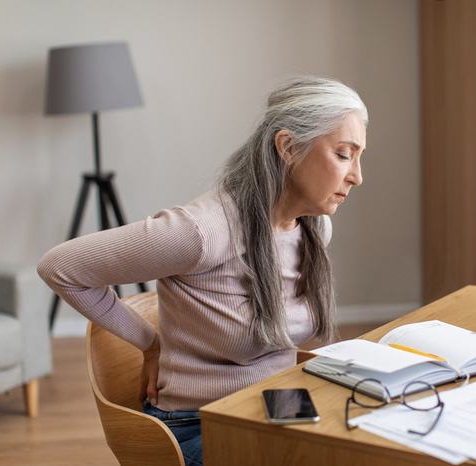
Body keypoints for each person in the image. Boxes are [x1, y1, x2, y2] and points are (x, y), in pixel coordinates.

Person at [37, 76, 368, 466]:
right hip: (197, 423)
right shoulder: (204, 232)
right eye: (345, 154)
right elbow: (60, 267)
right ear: (288, 147)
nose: (357, 176)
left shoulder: (312, 228)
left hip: (277, 407)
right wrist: (149, 341)